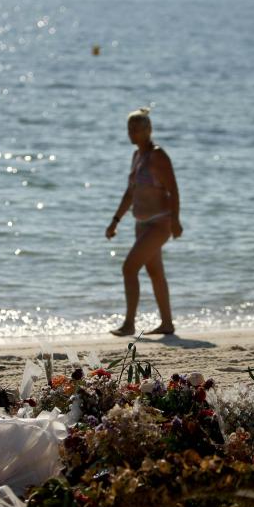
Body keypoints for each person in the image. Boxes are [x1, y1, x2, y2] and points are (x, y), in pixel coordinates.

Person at [105, 108, 183, 336]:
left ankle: (129, 324)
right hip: (141, 224)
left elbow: (174, 189)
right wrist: (115, 221)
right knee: (155, 272)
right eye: (130, 128)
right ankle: (167, 324)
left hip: (160, 223)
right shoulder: (137, 156)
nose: (132, 132)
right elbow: (130, 192)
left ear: (148, 130)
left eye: (137, 128)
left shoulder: (158, 155)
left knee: (129, 268)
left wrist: (176, 221)